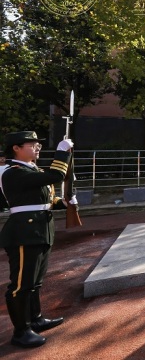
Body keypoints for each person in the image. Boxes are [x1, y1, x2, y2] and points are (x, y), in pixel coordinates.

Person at [0, 131, 74, 348]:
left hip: (41, 229)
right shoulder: (12, 172)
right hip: (24, 232)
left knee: (35, 282)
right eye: (32, 144)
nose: (38, 147)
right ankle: (21, 332)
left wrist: (64, 203)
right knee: (21, 285)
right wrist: (62, 153)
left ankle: (36, 319)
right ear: (16, 147)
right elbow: (56, 176)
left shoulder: (30, 170)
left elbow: (45, 199)